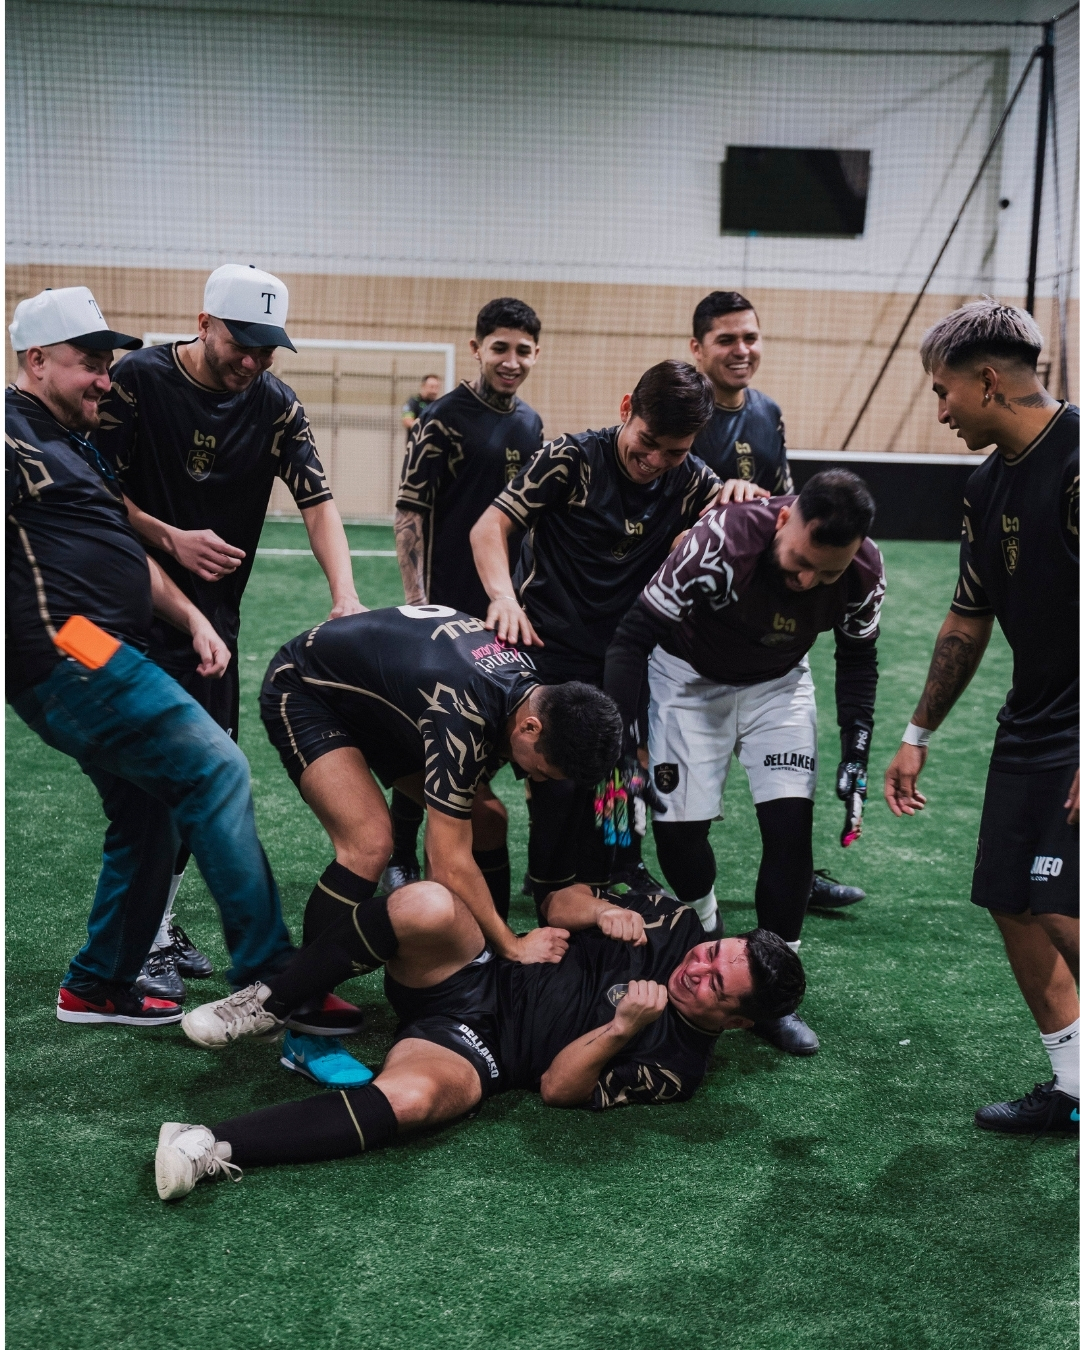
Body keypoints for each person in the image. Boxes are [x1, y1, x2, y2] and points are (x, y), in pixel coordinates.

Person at [6, 286, 295, 1026]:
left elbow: (121, 554)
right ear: (36, 361)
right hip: (74, 648)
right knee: (216, 766)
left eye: (109, 365)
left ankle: (97, 986)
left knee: (150, 816)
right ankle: (275, 979)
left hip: (111, 644)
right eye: (89, 364)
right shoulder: (8, 434)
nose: (106, 378)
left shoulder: (72, 442)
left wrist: (192, 616)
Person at [155, 878, 806, 1200]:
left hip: (475, 1048)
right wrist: (600, 911)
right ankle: (274, 1001)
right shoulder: (675, 921)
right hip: (476, 969)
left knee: (412, 1101)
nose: (699, 966)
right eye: (715, 952)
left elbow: (559, 1089)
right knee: (427, 902)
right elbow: (559, 898)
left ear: (739, 1022)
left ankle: (206, 1142)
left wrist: (621, 1029)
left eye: (717, 983)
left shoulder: (677, 1066)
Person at [97, 263, 363, 1023]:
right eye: (241, 344)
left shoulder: (275, 405)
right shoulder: (138, 382)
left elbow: (318, 500)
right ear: (204, 322)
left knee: (204, 783)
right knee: (158, 789)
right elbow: (91, 489)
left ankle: (157, 925)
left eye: (268, 349)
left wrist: (344, 597)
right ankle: (135, 946)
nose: (252, 361)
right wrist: (168, 537)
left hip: (215, 627)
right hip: (129, 612)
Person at [604, 470, 885, 1056]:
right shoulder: (720, 543)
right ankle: (707, 930)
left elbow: (858, 658)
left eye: (826, 572)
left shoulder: (865, 571)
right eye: (799, 562)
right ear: (784, 520)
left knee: (790, 833)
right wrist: (627, 748)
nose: (808, 581)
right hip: (687, 681)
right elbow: (630, 640)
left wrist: (857, 745)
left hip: (778, 688)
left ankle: (772, 992)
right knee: (679, 838)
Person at [884, 300, 1078, 1136]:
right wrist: (917, 733)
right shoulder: (985, 483)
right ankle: (1073, 1084)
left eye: (943, 392)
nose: (940, 411)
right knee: (1014, 901)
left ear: (988, 380)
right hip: (1029, 722)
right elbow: (968, 618)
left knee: (1065, 903)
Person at [470, 361, 762, 909]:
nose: (654, 463)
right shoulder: (570, 457)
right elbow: (491, 524)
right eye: (647, 442)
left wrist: (740, 495)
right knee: (555, 775)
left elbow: (745, 529)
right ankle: (547, 883)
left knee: (622, 768)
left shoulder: (695, 478)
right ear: (627, 408)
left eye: (673, 452)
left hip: (625, 655)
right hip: (545, 647)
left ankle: (611, 874)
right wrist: (502, 597)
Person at [254, 604, 622, 985]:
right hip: (306, 687)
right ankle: (301, 990)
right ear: (530, 728)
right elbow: (446, 865)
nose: (537, 780)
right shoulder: (465, 713)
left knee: (487, 819)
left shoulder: (530, 690)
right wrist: (513, 944)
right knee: (370, 842)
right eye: (541, 771)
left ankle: (485, 961)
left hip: (383, 701)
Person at [690, 290, 861, 912]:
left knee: (787, 766)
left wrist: (763, 502)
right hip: (697, 623)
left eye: (751, 338)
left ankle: (799, 874)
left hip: (774, 611)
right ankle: (659, 875)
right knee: (691, 775)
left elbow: (788, 498)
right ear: (698, 348)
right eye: (727, 340)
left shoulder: (768, 412)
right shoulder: (681, 409)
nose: (742, 350)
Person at [389, 298, 544, 901]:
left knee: (494, 742)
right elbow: (410, 513)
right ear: (477, 348)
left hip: (506, 611)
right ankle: (402, 855)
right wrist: (418, 605)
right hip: (445, 609)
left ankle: (472, 852)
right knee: (426, 738)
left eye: (523, 350)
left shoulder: (531, 424)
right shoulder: (443, 417)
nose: (511, 360)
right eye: (500, 347)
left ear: (536, 353)